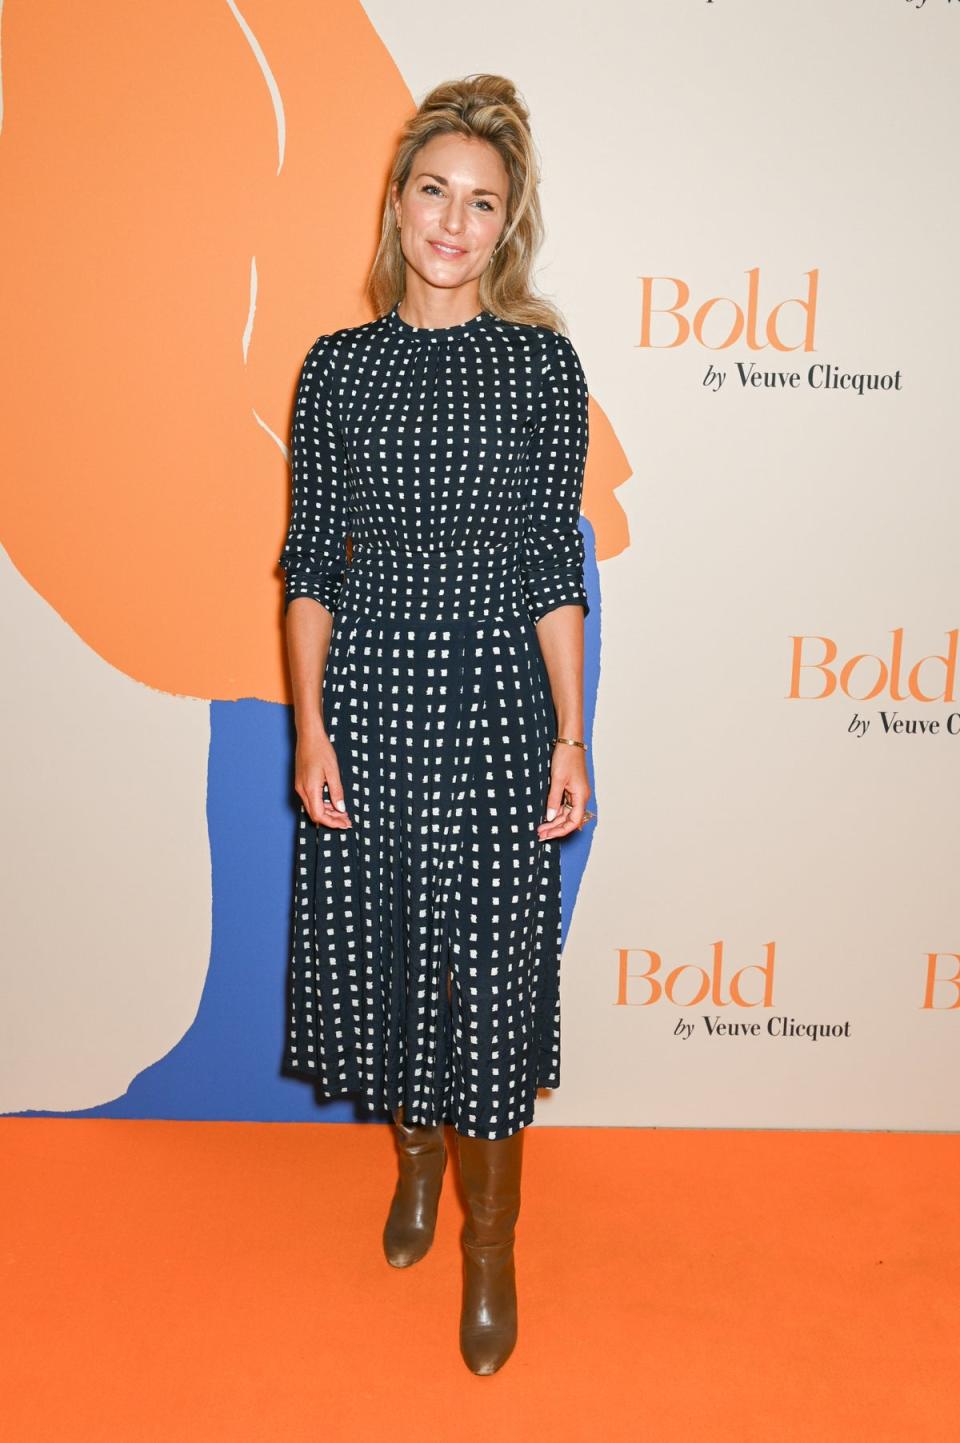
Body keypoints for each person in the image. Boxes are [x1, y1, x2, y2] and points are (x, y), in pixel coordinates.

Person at [278, 72, 594, 1375]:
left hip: (499, 714)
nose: (452, 223)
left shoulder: (538, 364)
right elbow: (308, 566)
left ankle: (488, 1249)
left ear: (504, 224)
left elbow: (548, 567)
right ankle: (415, 1170)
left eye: (481, 203)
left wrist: (572, 736)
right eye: (433, 191)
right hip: (369, 703)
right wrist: (309, 728)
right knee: (384, 961)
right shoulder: (338, 371)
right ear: (398, 202)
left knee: (495, 980)